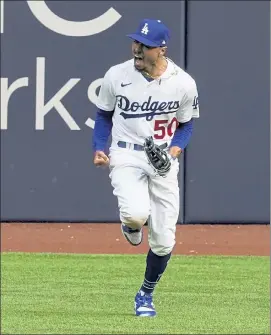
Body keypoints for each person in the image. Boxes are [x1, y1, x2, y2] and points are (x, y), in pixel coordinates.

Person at [92, 18, 199, 317]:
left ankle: (145, 294)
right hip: (127, 154)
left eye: (145, 45)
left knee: (164, 241)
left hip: (164, 159)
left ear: (161, 50)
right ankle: (131, 224)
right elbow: (103, 116)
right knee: (136, 214)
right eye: (136, 42)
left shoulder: (183, 83)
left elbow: (186, 125)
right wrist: (99, 147)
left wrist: (175, 150)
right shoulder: (117, 75)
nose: (137, 49)